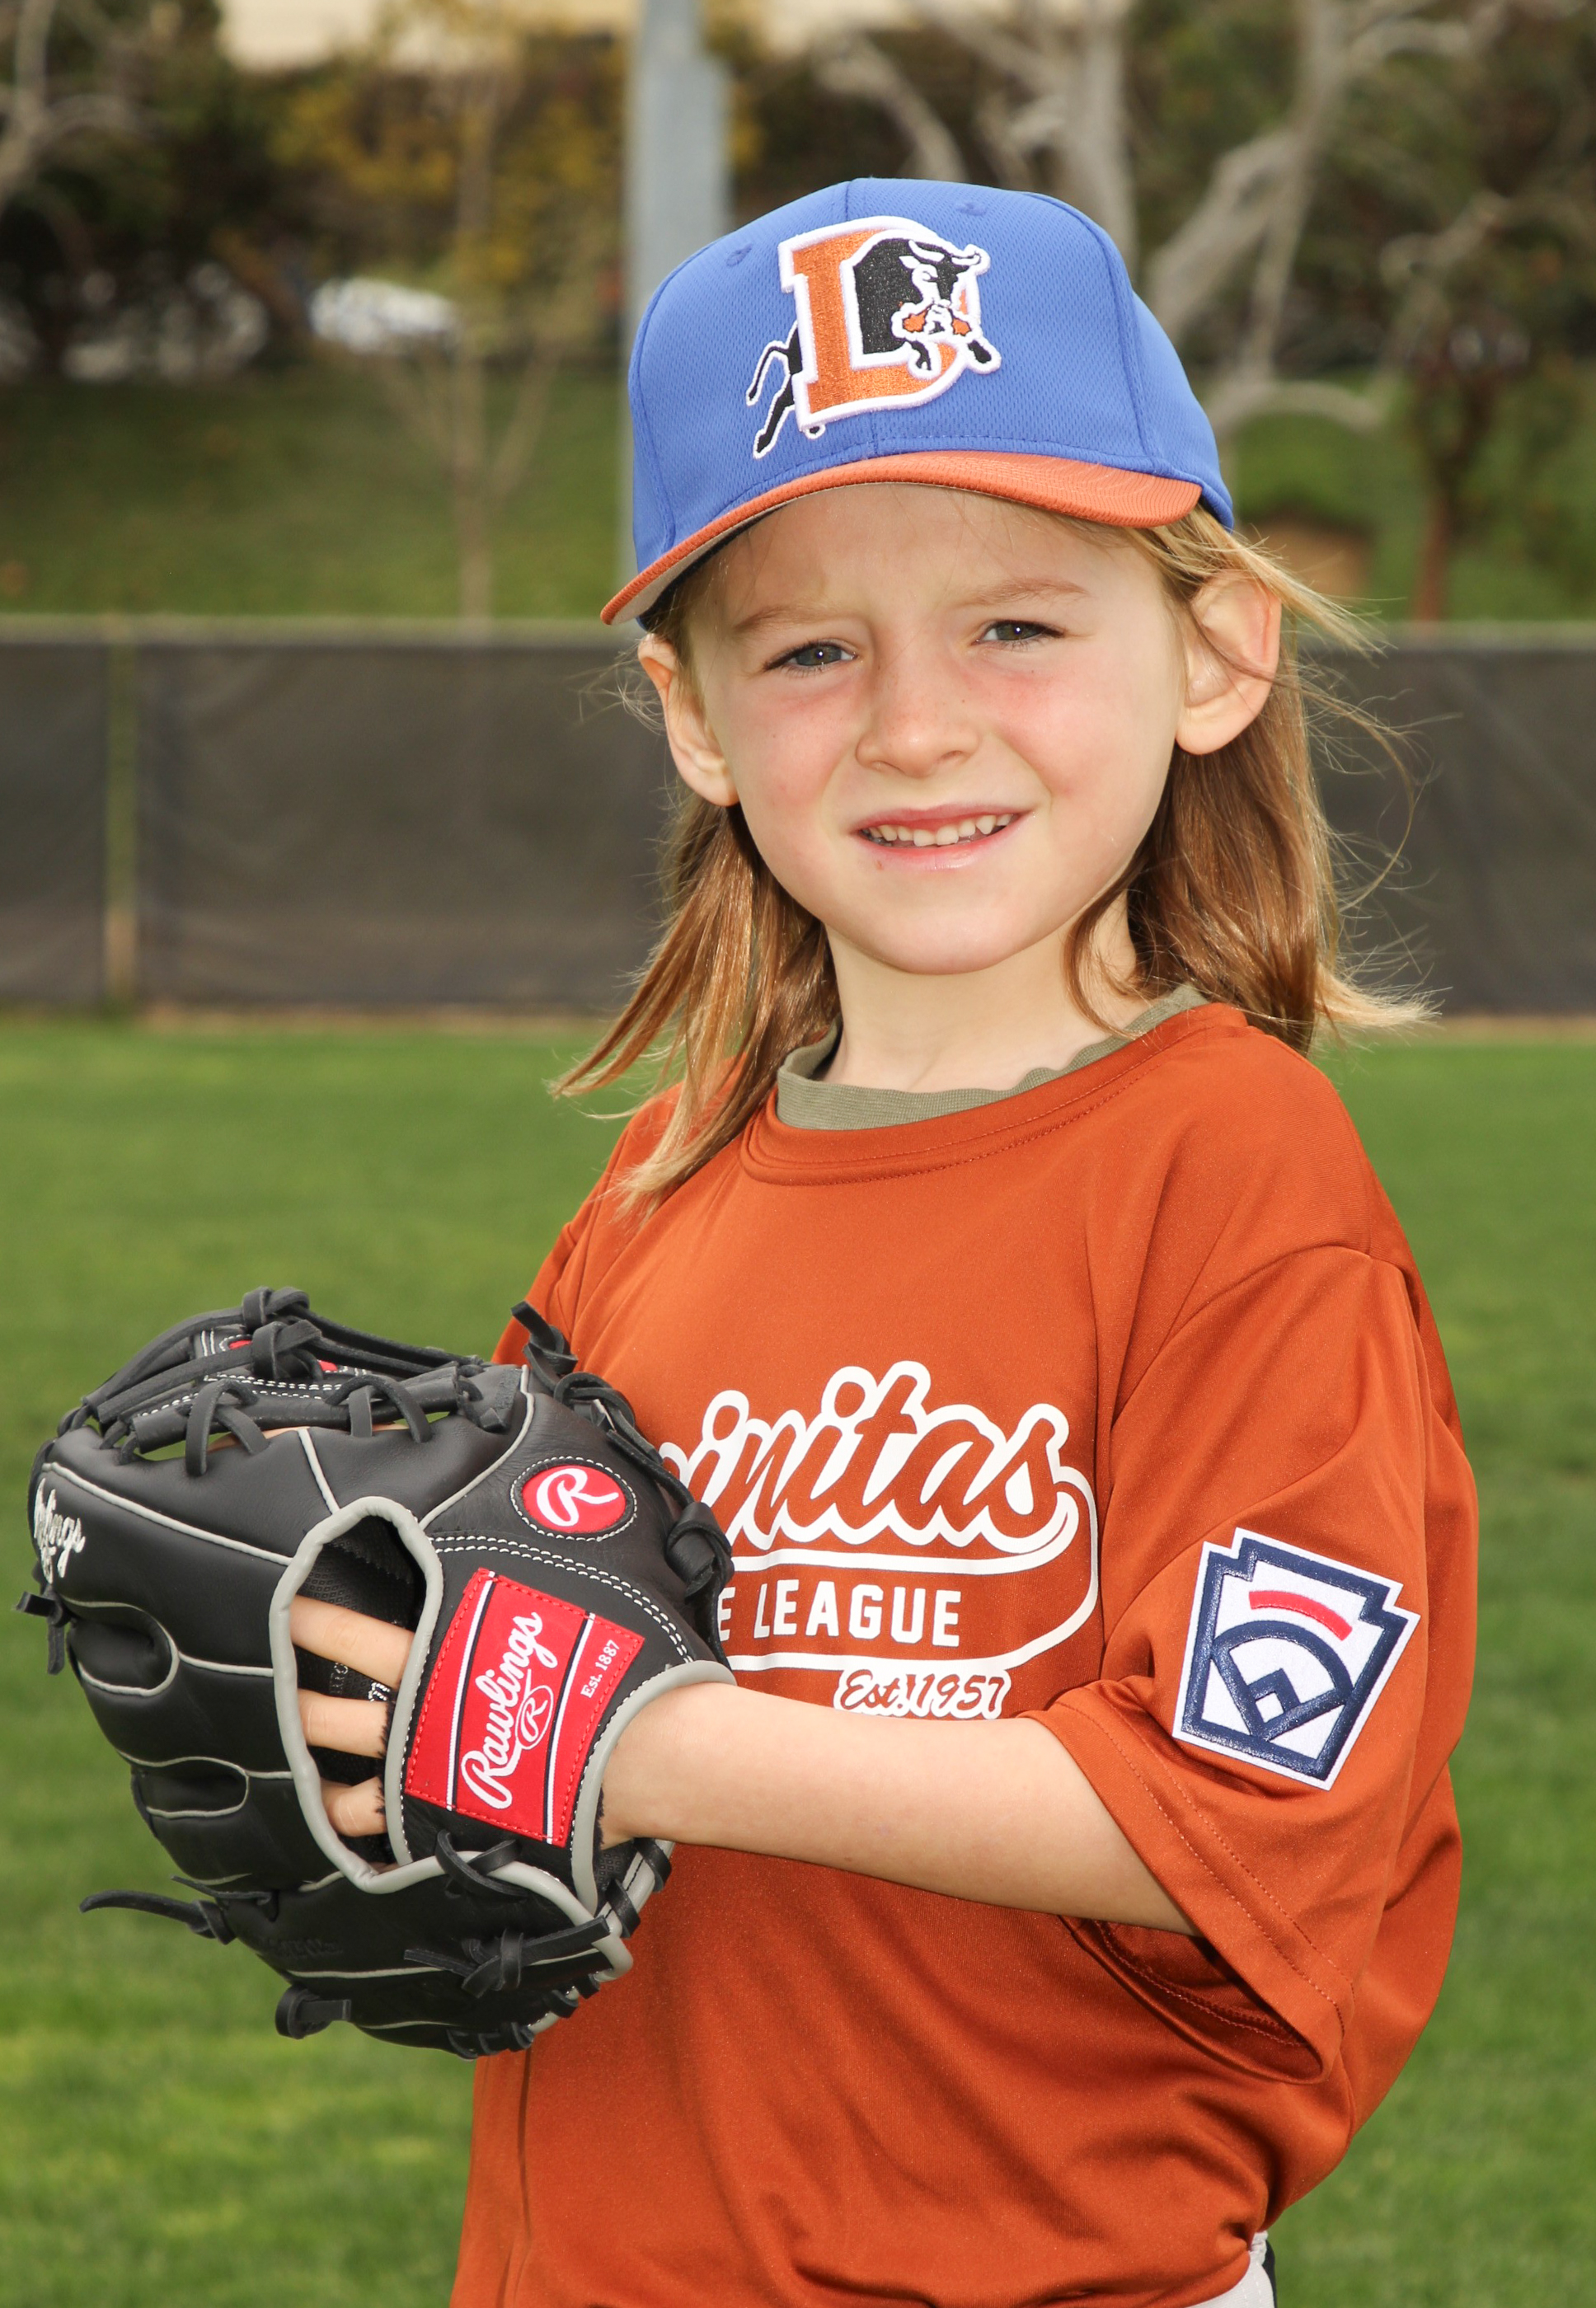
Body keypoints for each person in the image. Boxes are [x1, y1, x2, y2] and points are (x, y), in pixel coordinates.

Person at [292, 181, 1477, 2308]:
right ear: (695, 717)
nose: (916, 723)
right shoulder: (655, 1196)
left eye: (1016, 625)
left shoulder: (1236, 1175)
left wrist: (625, 1739)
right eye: (810, 649)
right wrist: (372, 1716)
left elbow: (1225, 1814)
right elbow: (498, 1728)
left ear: (1216, 653)